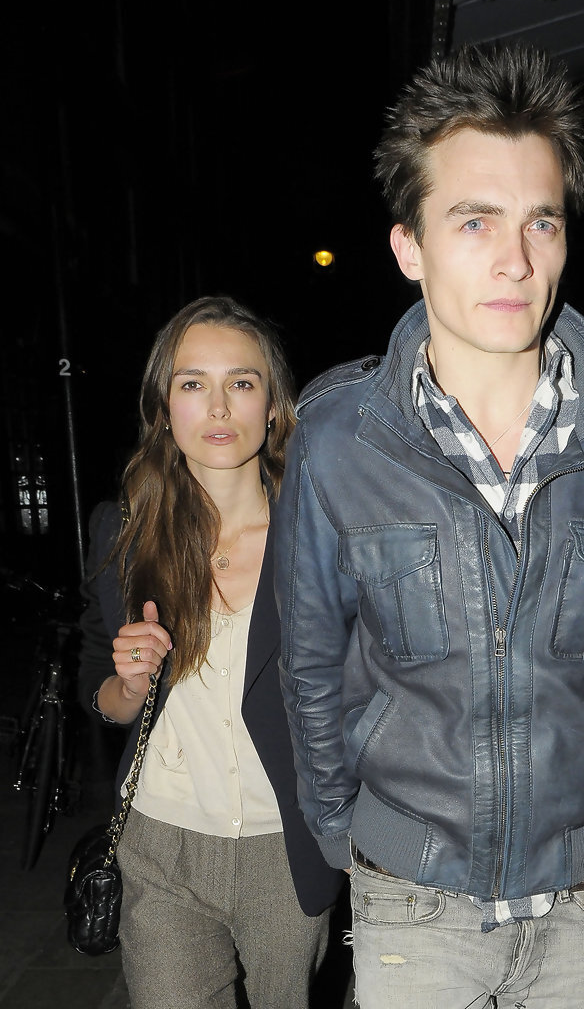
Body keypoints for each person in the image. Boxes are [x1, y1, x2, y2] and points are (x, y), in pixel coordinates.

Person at [273, 42, 584, 1009]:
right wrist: (340, 831)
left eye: (541, 222)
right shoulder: (335, 437)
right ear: (409, 247)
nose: (516, 260)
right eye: (474, 220)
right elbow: (309, 659)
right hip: (409, 895)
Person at [78, 296, 344, 1009]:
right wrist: (128, 684)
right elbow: (99, 690)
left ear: (273, 405)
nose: (219, 407)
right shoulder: (123, 533)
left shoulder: (324, 535)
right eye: (193, 383)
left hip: (286, 844)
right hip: (160, 843)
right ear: (163, 408)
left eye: (242, 382)